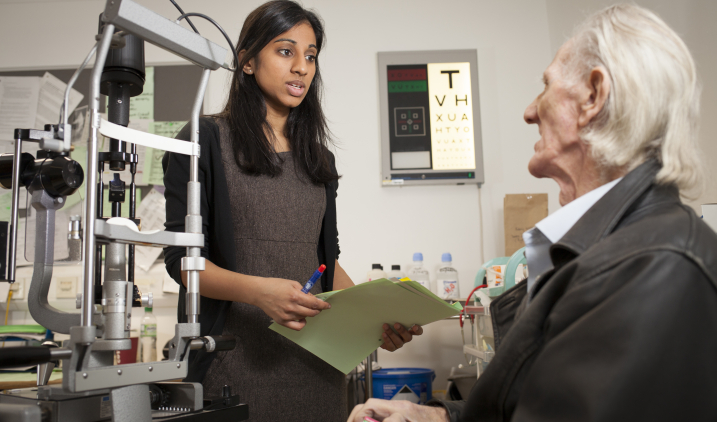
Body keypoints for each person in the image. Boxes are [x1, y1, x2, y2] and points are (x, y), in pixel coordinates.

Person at [349, 4, 717, 422]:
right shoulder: (609, 251)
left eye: (546, 86)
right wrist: (435, 417)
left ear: (593, 96)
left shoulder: (655, 267)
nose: (529, 112)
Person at [163, 1, 421, 420]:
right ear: (247, 61)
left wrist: (374, 319)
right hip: (232, 361)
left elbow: (326, 260)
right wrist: (260, 292)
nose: (301, 66)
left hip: (317, 365)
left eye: (311, 55)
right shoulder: (203, 139)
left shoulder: (319, 158)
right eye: (286, 51)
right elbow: (183, 263)